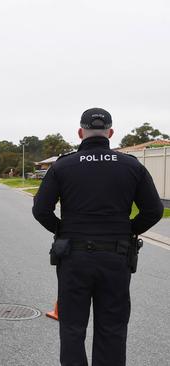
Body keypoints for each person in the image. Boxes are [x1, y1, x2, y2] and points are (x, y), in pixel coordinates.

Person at [32, 107, 164, 366]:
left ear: (80, 132)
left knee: (72, 329)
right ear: (111, 133)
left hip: (73, 256)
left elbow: (40, 210)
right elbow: (154, 210)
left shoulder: (63, 166)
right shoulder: (131, 166)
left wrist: (62, 230)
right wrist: (130, 230)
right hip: (116, 256)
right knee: (112, 329)